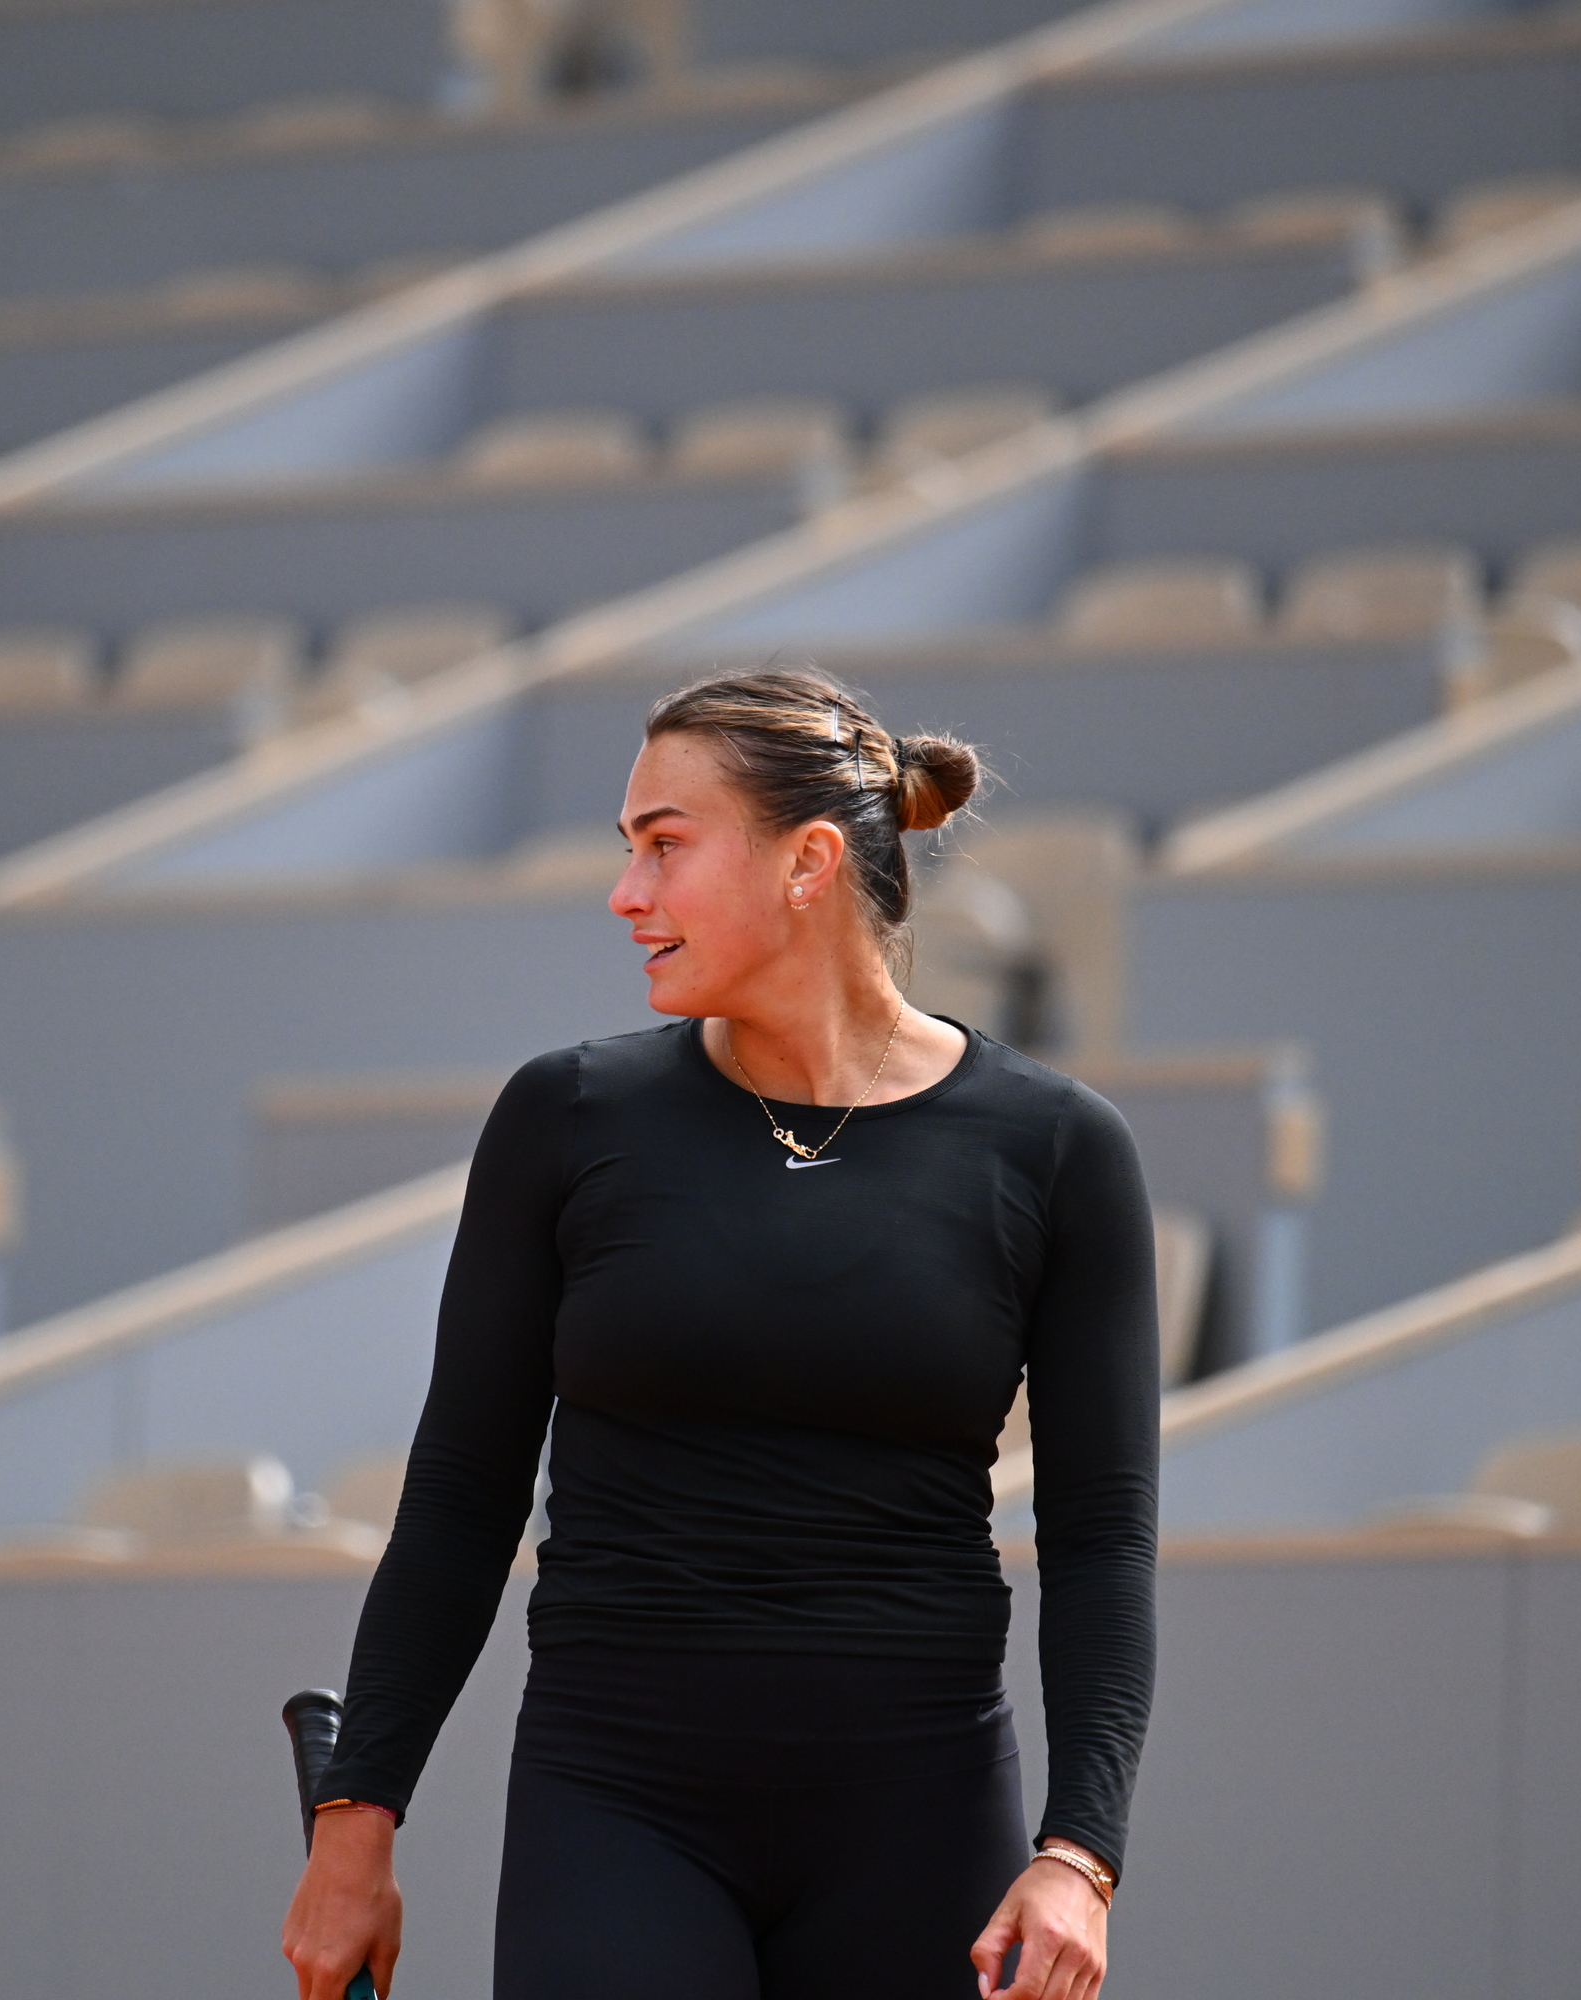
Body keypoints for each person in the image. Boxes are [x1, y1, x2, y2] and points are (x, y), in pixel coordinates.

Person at [280, 669, 1159, 2000]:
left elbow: (1101, 1540)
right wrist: (359, 1820)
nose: (626, 894)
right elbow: (462, 1497)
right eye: (626, 851)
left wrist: (1079, 1853)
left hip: (919, 1814)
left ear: (808, 862)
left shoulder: (1058, 1150)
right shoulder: (565, 1118)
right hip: (614, 1804)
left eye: (663, 847)